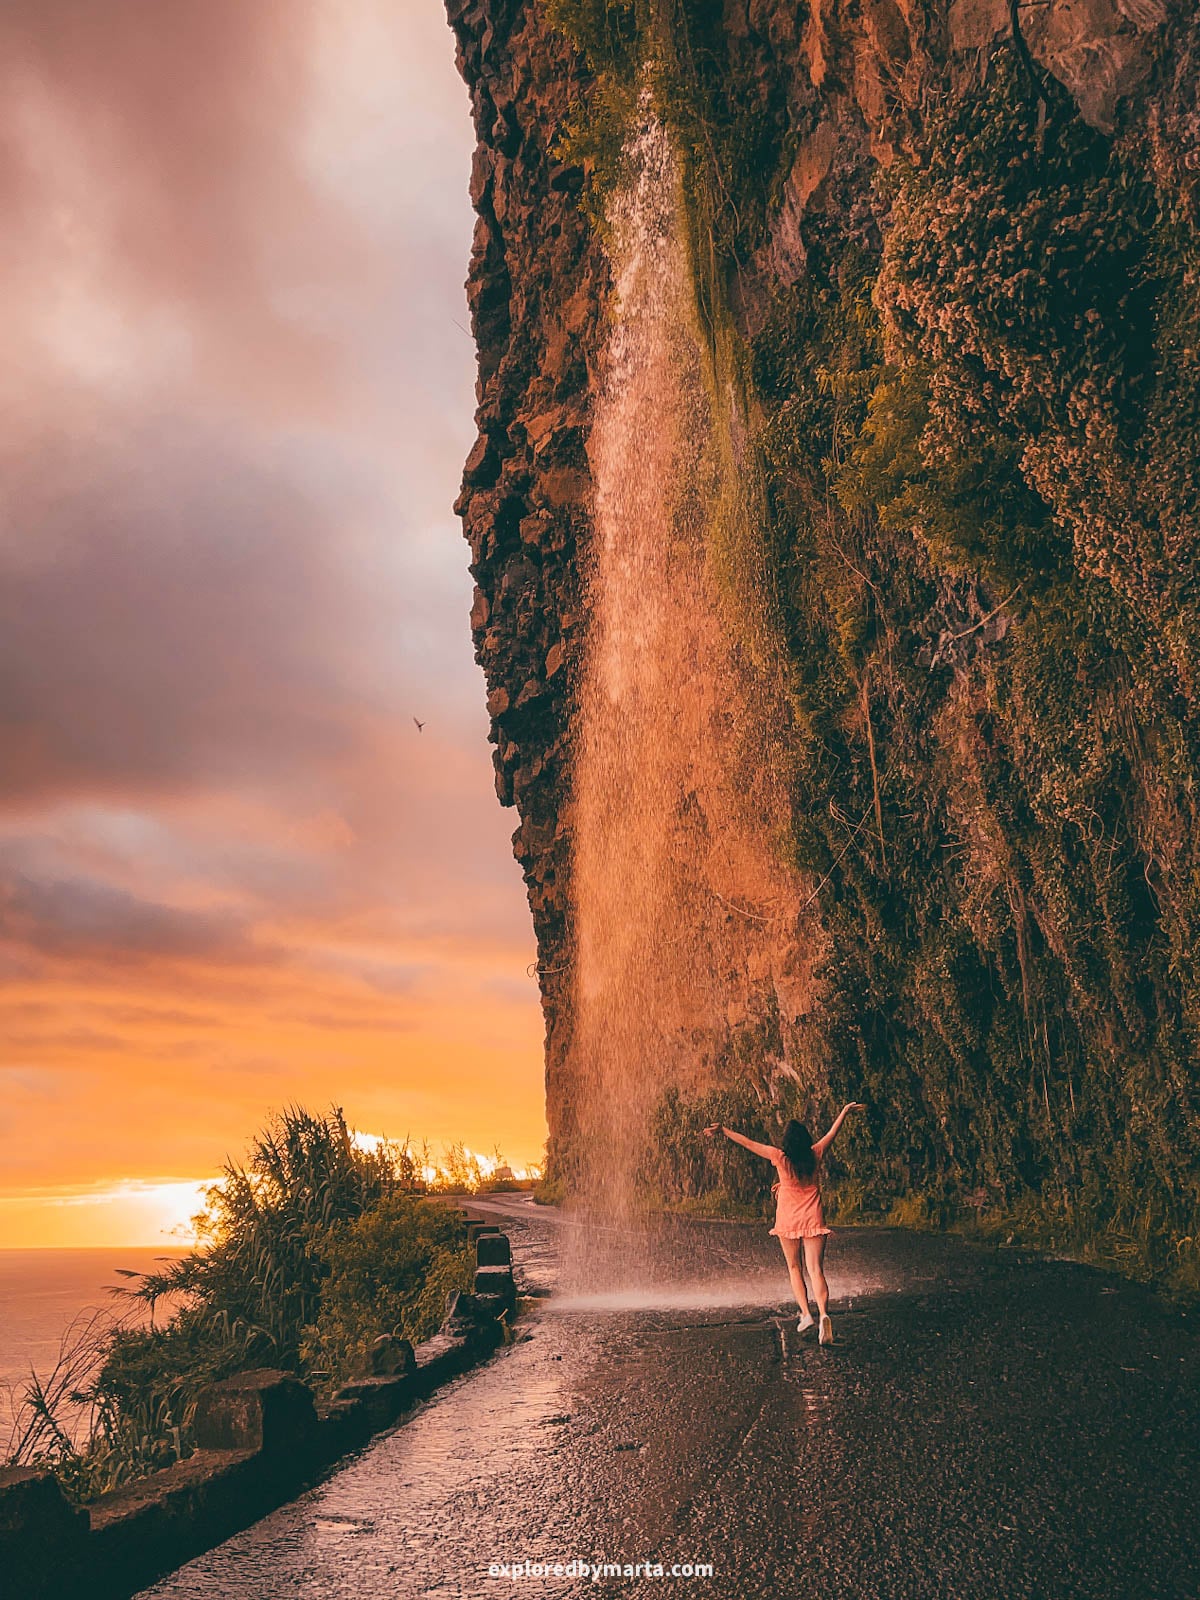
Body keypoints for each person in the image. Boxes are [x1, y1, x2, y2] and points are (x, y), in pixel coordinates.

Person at [703, 1104, 865, 1344]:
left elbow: (748, 1143)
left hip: (788, 1219)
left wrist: (724, 1130)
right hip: (813, 1217)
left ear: (786, 1141)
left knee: (794, 1268)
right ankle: (823, 1314)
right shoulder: (816, 1153)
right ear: (806, 1139)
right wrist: (844, 1111)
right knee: (816, 1269)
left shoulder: (778, 1157)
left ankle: (806, 1314)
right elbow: (833, 1132)